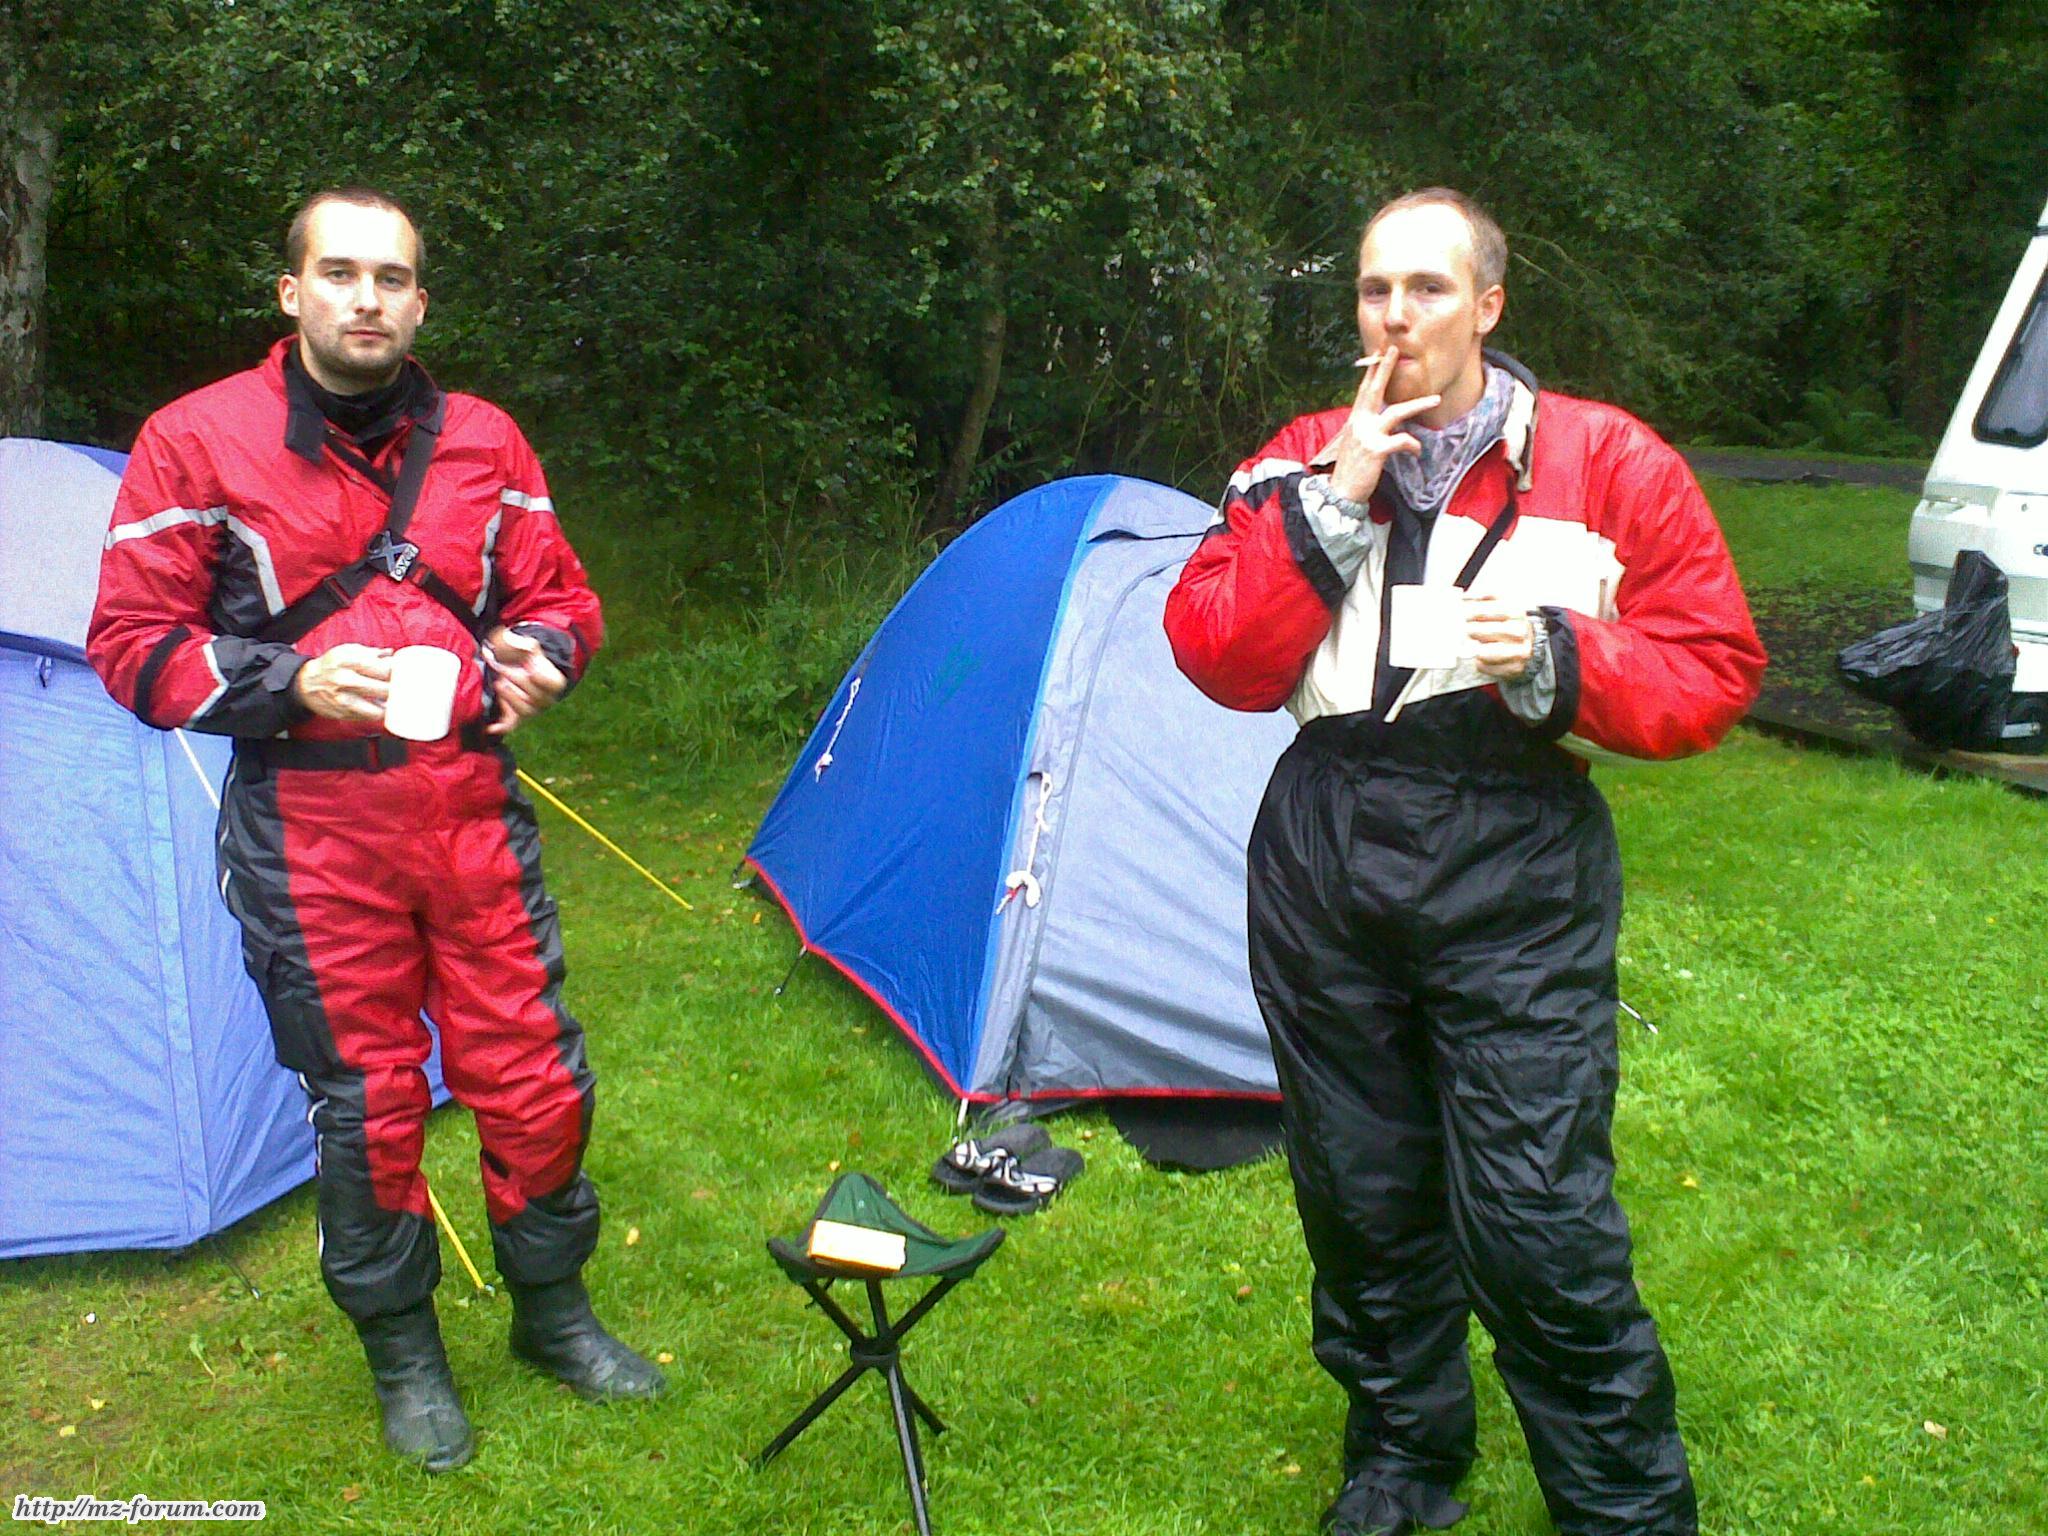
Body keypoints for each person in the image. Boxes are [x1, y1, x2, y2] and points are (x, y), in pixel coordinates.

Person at [1163, 188, 1765, 1536]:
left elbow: (1715, 664)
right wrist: (1333, 505)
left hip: (1515, 860)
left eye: (1427, 288)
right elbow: (1213, 651)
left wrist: (1559, 657)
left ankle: (1621, 1509)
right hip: (1326, 851)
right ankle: (1400, 1464)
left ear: (1487, 305)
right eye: (1375, 289)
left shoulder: (1607, 459)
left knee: (1536, 1217)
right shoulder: (1297, 456)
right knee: (1358, 1194)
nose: (1396, 315)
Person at [88, 186, 664, 1473]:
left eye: (390, 278)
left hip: (469, 812)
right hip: (310, 832)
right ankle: (405, 1357)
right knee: (368, 1102)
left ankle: (555, 1317)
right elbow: (131, 647)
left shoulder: (485, 442)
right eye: (340, 273)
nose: (366, 298)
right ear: (291, 292)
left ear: (419, 302)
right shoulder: (195, 440)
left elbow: (561, 601)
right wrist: (290, 682)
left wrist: (539, 658)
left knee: (533, 1071)